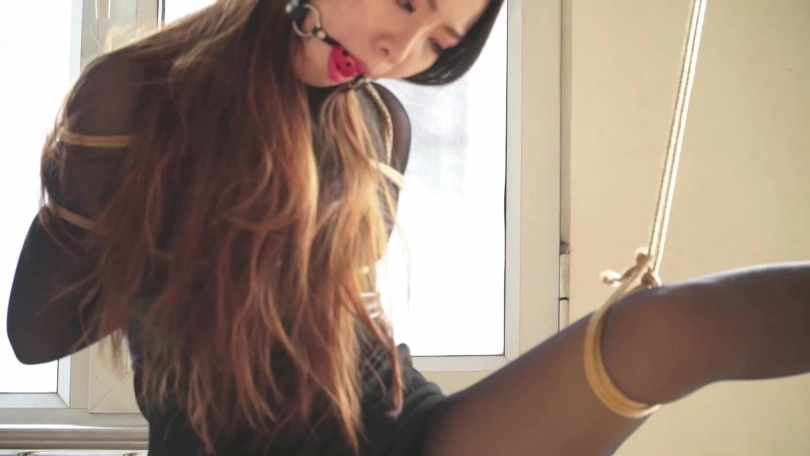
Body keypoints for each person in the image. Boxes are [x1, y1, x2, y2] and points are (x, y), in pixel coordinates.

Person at [5, 0, 810, 454]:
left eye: (439, 42)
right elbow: (36, 336)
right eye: (407, 4)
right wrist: (120, 205)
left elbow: (349, 333)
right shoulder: (135, 95)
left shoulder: (380, 125)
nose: (400, 51)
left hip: (402, 432)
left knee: (665, 329)